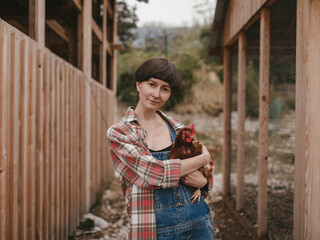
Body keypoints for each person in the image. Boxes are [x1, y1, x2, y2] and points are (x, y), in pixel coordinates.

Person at [106, 57, 215, 240]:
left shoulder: (178, 128)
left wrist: (204, 182)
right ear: (138, 84)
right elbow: (154, 174)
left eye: (165, 89)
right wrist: (203, 158)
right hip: (154, 229)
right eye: (152, 84)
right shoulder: (120, 133)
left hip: (199, 223)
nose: (157, 94)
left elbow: (208, 171)